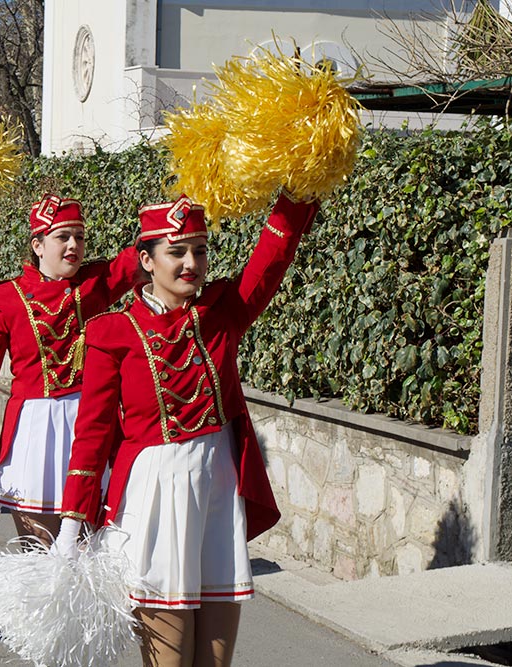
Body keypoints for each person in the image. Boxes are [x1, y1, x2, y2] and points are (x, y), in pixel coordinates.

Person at [56, 192, 319, 667]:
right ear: (146, 260)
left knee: (215, 661)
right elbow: (91, 434)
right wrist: (71, 523)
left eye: (199, 250)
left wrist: (301, 187)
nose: (191, 263)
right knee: (170, 661)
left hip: (217, 494)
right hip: (154, 501)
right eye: (176, 252)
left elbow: (273, 254)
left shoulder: (223, 313)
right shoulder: (111, 331)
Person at [0, 195, 139, 547]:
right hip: (34, 430)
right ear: (37, 244)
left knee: (87, 547)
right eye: (62, 237)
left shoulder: (95, 284)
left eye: (79, 237)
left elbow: (144, 253)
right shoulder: (5, 299)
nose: (73, 245)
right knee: (36, 549)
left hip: (90, 425)